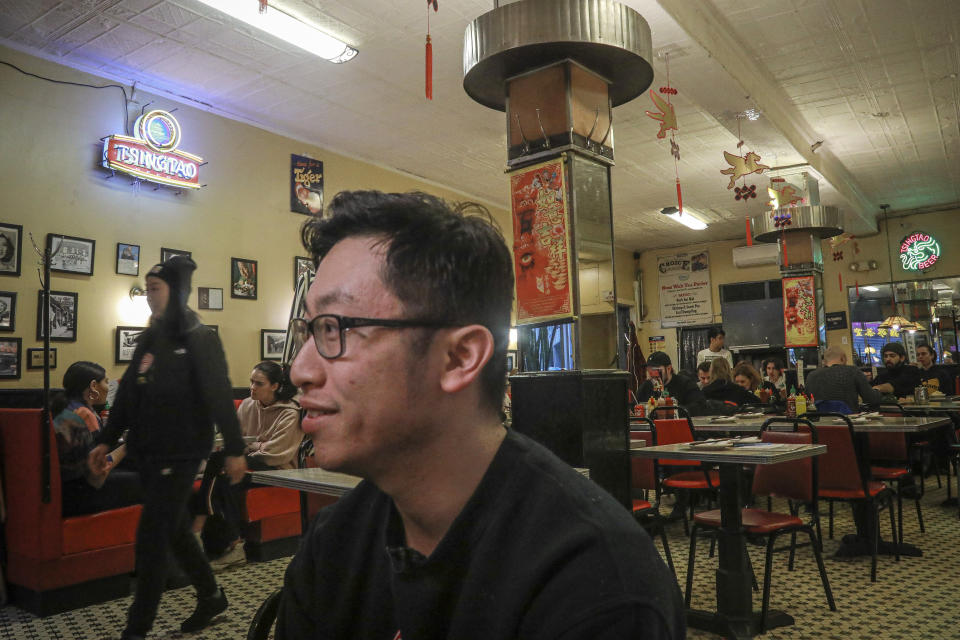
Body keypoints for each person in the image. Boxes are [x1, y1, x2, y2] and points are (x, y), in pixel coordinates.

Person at [276, 191, 684, 639]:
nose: (299, 369)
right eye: (308, 330)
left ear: (459, 358)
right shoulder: (335, 543)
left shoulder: (595, 585)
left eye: (335, 328)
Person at [89, 255, 248, 640]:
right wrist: (106, 440)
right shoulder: (153, 334)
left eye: (155, 288)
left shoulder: (197, 335)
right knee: (174, 528)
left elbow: (218, 393)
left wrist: (235, 449)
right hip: (150, 452)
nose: (148, 296)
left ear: (176, 291)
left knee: (151, 539)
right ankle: (211, 595)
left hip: (181, 452)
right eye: (146, 288)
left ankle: (136, 630)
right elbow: (128, 391)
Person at [195, 361, 303, 564]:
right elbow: (233, 440)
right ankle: (229, 545)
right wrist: (251, 446)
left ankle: (203, 526)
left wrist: (248, 447)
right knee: (224, 481)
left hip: (277, 469)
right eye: (251, 382)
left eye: (259, 383)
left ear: (275, 386)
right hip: (252, 462)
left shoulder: (290, 412)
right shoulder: (247, 405)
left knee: (219, 463)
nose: (252, 387)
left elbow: (276, 454)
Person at [54, 361, 141, 517]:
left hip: (66, 488)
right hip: (81, 495)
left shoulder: (67, 408)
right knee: (149, 481)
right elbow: (97, 475)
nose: (109, 387)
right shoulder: (85, 415)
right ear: (94, 386)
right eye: (107, 382)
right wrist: (127, 445)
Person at [805, 345, 881, 412]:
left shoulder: (811, 376)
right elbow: (871, 399)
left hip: (818, 424)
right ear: (843, 358)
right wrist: (878, 389)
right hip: (847, 424)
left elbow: (807, 402)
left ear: (824, 361)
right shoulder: (853, 371)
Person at [636, 350, 708, 415]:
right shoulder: (646, 386)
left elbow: (700, 406)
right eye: (649, 370)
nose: (652, 374)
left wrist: (671, 411)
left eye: (656, 370)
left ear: (669, 368)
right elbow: (635, 406)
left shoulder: (685, 384)